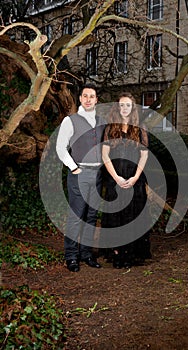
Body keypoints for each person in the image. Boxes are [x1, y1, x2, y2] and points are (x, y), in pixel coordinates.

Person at [56, 84, 105, 272]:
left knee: (91, 216)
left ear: (96, 99)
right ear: (80, 99)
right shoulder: (71, 121)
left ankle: (86, 254)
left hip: (97, 174)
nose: (88, 99)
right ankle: (71, 256)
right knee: (76, 215)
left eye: (92, 96)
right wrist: (74, 167)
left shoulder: (101, 122)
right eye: (85, 96)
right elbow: (61, 147)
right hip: (79, 173)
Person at [101, 92, 151, 269]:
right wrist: (116, 178)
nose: (124, 108)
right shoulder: (110, 128)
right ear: (117, 107)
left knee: (133, 216)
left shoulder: (140, 128)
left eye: (128, 105)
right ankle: (117, 252)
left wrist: (135, 177)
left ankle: (131, 253)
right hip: (115, 179)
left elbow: (144, 155)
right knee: (116, 216)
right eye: (121, 105)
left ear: (133, 107)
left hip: (134, 179)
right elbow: (105, 155)